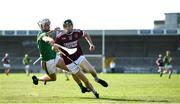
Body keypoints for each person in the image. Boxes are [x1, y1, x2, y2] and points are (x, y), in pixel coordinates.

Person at [32, 18, 91, 95]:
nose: (47, 26)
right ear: (41, 26)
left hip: (55, 57)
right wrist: (50, 40)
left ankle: (82, 88)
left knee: (72, 69)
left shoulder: (46, 32)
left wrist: (53, 31)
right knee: (53, 78)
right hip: (47, 62)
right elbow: (45, 37)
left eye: (48, 24)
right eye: (45, 25)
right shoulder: (41, 35)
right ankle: (38, 79)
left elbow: (47, 34)